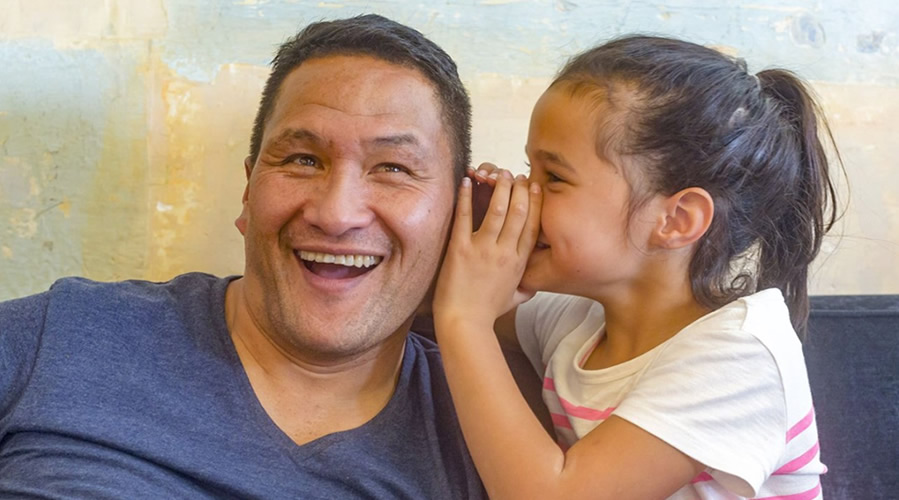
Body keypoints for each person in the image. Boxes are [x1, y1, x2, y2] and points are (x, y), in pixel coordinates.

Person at [0, 14, 488, 499]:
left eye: (393, 167)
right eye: (302, 160)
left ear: (459, 212)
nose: (336, 214)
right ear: (248, 193)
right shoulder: (62, 337)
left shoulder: (491, 434)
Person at [432, 35, 838, 499]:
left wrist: (463, 321)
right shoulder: (578, 321)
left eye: (555, 178)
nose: (526, 193)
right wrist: (472, 221)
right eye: (528, 171)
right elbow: (449, 293)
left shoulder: (740, 355)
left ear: (675, 220)